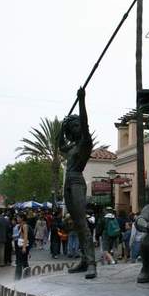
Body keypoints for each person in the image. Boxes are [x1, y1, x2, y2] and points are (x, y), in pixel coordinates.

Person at [59, 87, 96, 279]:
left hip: (77, 183)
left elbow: (85, 122)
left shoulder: (85, 143)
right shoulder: (72, 147)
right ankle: (83, 259)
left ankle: (91, 263)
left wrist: (81, 100)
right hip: (68, 184)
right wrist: (61, 128)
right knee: (76, 224)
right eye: (72, 126)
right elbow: (60, 146)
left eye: (76, 125)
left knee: (82, 223)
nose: (76, 127)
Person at [15, 213, 30, 280]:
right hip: (21, 245)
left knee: (21, 262)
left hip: (22, 246)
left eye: (18, 217)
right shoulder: (20, 225)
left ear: (22, 218)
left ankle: (18, 278)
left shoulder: (25, 226)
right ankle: (26, 276)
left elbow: (26, 236)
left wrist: (24, 247)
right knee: (23, 262)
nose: (17, 219)